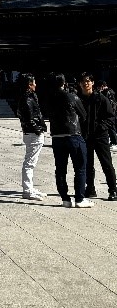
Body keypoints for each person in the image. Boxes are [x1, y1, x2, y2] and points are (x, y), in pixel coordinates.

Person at [45, 73, 92, 208]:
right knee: (80, 168)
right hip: (73, 134)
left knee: (60, 169)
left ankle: (65, 198)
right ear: (64, 83)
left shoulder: (49, 98)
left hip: (57, 136)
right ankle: (79, 198)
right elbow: (83, 115)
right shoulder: (71, 96)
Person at [77, 72, 117, 201]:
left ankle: (113, 190)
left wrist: (100, 127)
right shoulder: (78, 99)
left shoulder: (101, 98)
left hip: (100, 137)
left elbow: (111, 117)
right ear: (79, 84)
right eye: (83, 81)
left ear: (92, 83)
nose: (86, 83)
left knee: (106, 163)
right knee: (87, 164)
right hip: (85, 137)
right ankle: (90, 189)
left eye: (88, 81)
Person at [17, 74, 48, 200]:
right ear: (29, 85)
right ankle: (28, 190)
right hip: (33, 133)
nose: (35, 85)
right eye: (33, 83)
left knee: (31, 162)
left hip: (31, 132)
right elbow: (29, 118)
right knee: (29, 162)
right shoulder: (27, 99)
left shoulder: (28, 97)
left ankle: (30, 187)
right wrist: (38, 129)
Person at [99, 80, 117, 146]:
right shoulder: (110, 91)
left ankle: (114, 141)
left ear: (102, 86)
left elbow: (110, 103)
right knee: (111, 126)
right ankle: (114, 140)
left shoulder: (107, 92)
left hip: (110, 111)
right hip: (112, 111)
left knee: (111, 126)